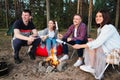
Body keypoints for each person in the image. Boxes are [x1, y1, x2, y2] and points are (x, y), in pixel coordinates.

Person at [72, 10, 120, 77]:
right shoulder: (100, 28)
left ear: (105, 17)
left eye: (100, 16)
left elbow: (98, 43)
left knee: (92, 45)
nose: (97, 18)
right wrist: (94, 40)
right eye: (96, 16)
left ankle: (92, 67)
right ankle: (92, 66)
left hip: (115, 50)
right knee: (91, 43)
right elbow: (100, 40)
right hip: (107, 47)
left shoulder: (109, 27)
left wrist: (80, 46)